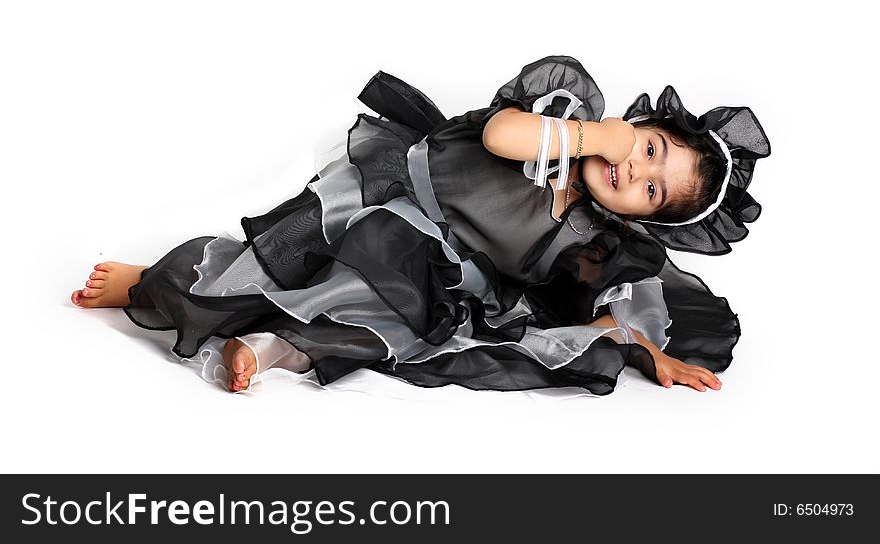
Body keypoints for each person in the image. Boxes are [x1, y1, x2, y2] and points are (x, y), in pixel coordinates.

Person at [70, 55, 771, 396]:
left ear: (646, 217)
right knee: (283, 259)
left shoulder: (597, 238)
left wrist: (642, 349)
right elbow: (502, 136)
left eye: (652, 191)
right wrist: (596, 138)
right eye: (651, 149)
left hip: (443, 267)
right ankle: (159, 284)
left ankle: (276, 348)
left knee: (389, 319)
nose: (636, 172)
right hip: (393, 192)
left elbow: (596, 307)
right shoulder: (564, 110)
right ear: (641, 122)